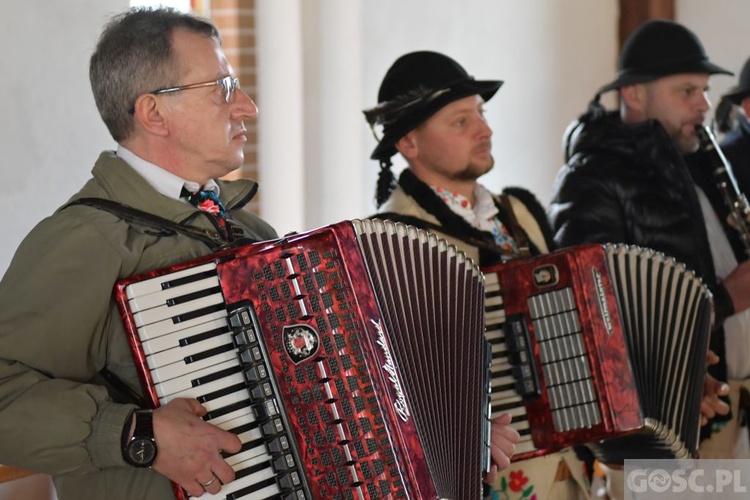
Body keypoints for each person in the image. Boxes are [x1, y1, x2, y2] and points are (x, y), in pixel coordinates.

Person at [0, 7, 278, 500]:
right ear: (154, 113)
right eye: (223, 89)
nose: (247, 108)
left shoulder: (251, 232)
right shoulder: (85, 240)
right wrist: (135, 434)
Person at [363, 50, 592, 500]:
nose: (484, 130)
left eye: (481, 115)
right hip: (483, 476)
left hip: (568, 459)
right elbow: (388, 381)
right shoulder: (393, 241)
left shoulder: (520, 210)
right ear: (409, 143)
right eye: (460, 121)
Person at [547, 19, 749, 498]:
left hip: (727, 409)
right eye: (686, 91)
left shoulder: (698, 158)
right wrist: (723, 299)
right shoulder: (591, 179)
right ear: (635, 95)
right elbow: (591, 316)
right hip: (663, 427)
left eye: (704, 90)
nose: (703, 104)